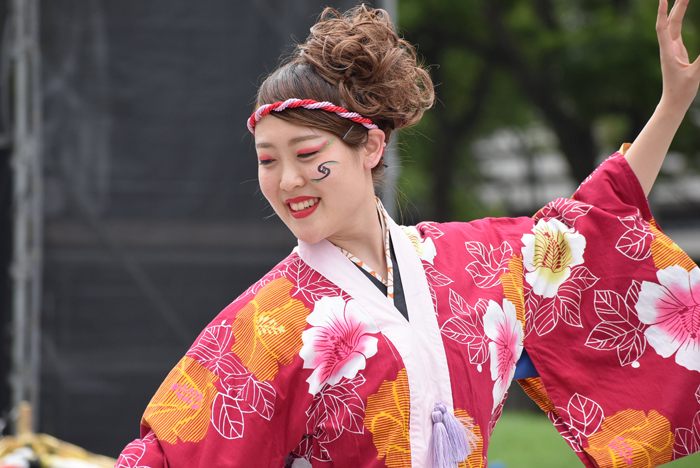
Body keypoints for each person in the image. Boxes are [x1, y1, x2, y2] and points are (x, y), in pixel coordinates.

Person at [115, 0, 700, 467]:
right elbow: (175, 455)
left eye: (307, 152)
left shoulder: (468, 262)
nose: (287, 178)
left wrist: (673, 103)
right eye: (268, 160)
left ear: (370, 147)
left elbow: (590, 231)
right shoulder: (268, 323)